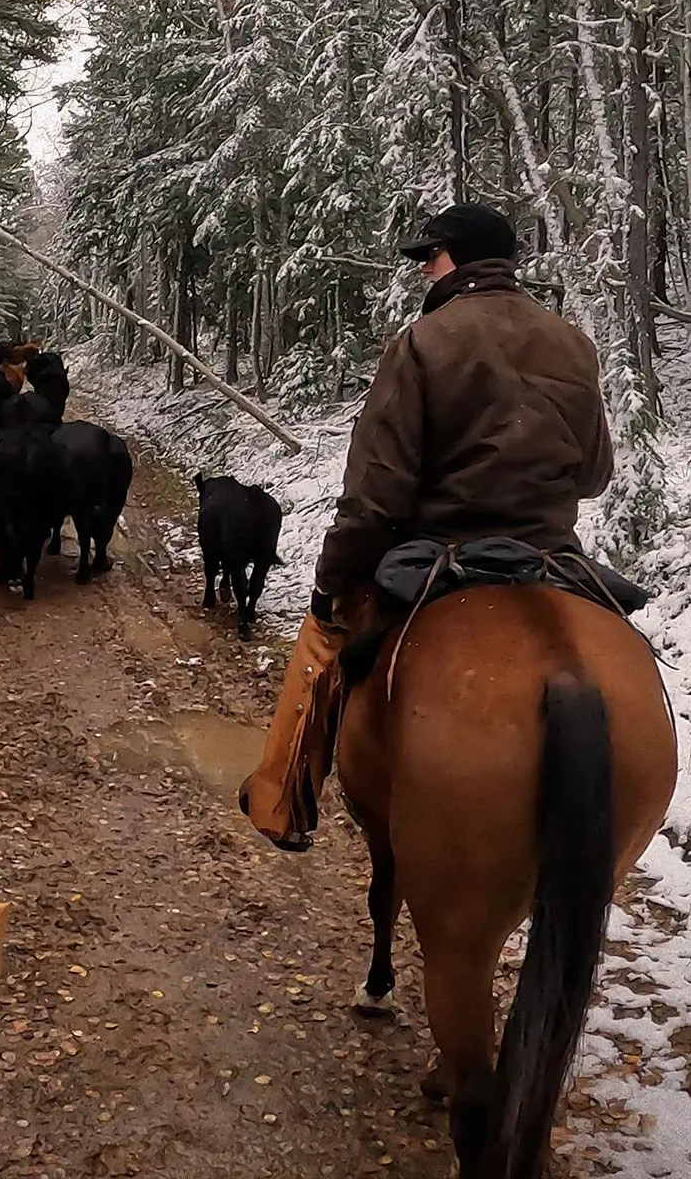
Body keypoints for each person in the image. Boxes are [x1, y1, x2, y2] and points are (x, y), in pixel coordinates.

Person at [244, 203, 613, 847]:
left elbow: (376, 497)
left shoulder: (422, 343)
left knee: (322, 639)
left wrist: (332, 582)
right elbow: (593, 476)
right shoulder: (573, 343)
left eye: (431, 258)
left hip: (442, 552)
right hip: (549, 554)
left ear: (460, 260)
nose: (423, 273)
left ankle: (282, 803)